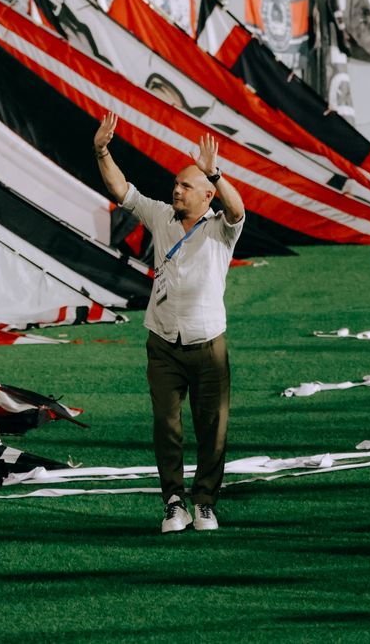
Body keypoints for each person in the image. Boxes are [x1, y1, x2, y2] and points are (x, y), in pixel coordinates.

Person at [92, 111, 246, 534]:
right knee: (166, 424)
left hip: (207, 341)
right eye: (176, 184)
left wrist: (216, 172)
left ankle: (206, 502)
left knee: (213, 427)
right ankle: (173, 502)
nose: (176, 190)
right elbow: (123, 190)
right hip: (162, 340)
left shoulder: (222, 229)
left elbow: (237, 207)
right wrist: (102, 150)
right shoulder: (161, 216)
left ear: (206, 195)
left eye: (186, 186)